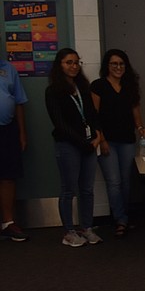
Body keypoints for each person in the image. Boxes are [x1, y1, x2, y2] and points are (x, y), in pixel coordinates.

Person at [45, 49, 104, 247]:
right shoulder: (53, 91)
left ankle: (86, 228)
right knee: (68, 189)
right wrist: (83, 143)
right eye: (69, 62)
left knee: (87, 189)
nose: (74, 66)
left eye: (77, 62)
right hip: (69, 145)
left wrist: (97, 136)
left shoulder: (83, 88)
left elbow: (92, 115)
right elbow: (60, 123)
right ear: (59, 65)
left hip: (89, 144)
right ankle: (69, 232)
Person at [91, 49, 145, 237]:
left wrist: (141, 128)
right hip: (107, 141)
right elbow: (94, 116)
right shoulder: (98, 86)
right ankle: (120, 219)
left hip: (126, 141)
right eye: (114, 63)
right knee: (114, 181)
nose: (118, 67)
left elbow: (136, 112)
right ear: (107, 66)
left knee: (126, 181)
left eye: (121, 63)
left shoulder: (130, 86)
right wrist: (102, 140)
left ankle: (123, 217)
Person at [0, 59, 29, 242]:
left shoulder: (8, 69)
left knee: (8, 176)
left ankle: (8, 223)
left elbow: (19, 102)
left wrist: (22, 133)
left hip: (8, 129)